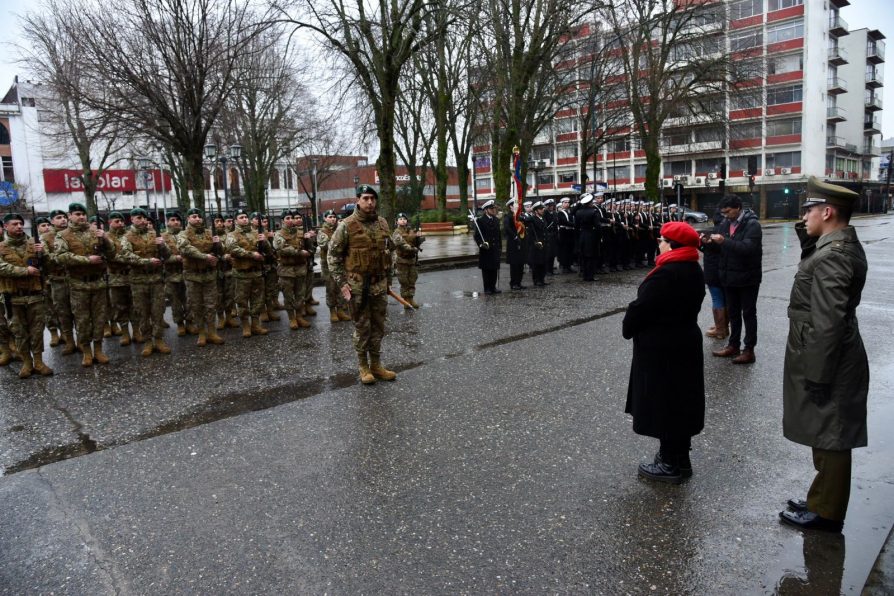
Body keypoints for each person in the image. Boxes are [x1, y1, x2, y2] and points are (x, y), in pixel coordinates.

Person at [779, 177, 869, 533]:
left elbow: (828, 321)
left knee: (831, 431)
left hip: (828, 354)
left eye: (809, 209)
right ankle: (821, 498)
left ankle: (826, 512)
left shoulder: (834, 255)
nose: (804, 217)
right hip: (826, 350)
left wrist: (817, 373)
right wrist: (809, 241)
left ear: (827, 211)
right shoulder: (831, 247)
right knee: (824, 428)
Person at [622, 221, 706, 483]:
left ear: (672, 244)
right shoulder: (692, 268)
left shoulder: (666, 273)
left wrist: (629, 324)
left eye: (662, 239)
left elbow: (642, 308)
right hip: (684, 342)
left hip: (663, 347)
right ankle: (680, 458)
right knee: (680, 402)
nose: (658, 243)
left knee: (665, 403)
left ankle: (670, 463)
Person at [327, 184, 397, 385]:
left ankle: (376, 364)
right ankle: (363, 366)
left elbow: (389, 251)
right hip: (357, 287)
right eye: (365, 198)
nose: (369, 202)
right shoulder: (346, 225)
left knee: (379, 326)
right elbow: (333, 257)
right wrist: (342, 283)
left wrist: (388, 280)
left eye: (372, 198)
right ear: (358, 200)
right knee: (362, 327)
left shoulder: (382, 223)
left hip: (379, 285)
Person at [53, 202, 114, 366]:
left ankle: (99, 350)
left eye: (83, 214)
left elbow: (112, 254)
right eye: (77, 214)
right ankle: (87, 351)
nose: (81, 217)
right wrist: (87, 260)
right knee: (82, 320)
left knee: (100, 319)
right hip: (78, 285)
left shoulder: (96, 232)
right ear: (70, 216)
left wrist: (106, 240)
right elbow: (60, 257)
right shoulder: (63, 235)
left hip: (98, 283)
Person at [710, 195, 762, 364]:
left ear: (738, 207)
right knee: (733, 314)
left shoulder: (752, 224)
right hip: (729, 277)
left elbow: (747, 248)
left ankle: (749, 350)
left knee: (748, 313)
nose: (725, 216)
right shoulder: (726, 223)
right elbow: (722, 250)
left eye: (728, 212)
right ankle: (733, 345)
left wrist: (724, 241)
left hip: (748, 278)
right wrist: (705, 243)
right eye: (723, 213)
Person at [0, 213, 53, 378]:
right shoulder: (1, 247)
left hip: (35, 294)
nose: (19, 226)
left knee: (37, 330)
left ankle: (38, 361)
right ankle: (27, 362)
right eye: (14, 224)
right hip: (12, 297)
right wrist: (25, 271)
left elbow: (50, 267)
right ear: (6, 227)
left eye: (21, 223)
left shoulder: (35, 244)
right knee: (19, 332)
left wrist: (43, 254)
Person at [119, 208, 172, 357]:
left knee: (158, 311)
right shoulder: (127, 237)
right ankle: (148, 341)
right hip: (139, 281)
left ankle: (159, 339)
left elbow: (167, 256)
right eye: (138, 218)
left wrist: (162, 245)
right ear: (132, 220)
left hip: (156, 280)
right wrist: (146, 261)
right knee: (142, 312)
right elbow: (126, 256)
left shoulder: (154, 234)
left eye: (143, 218)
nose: (142, 220)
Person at [177, 209, 224, 346]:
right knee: (196, 305)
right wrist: (205, 257)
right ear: (188, 219)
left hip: (209, 275)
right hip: (193, 275)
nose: (197, 219)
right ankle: (201, 333)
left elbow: (220, 252)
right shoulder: (183, 234)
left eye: (199, 216)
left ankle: (212, 331)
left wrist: (218, 244)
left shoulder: (210, 233)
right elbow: (185, 248)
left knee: (211, 304)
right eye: (194, 216)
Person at [225, 209, 269, 338]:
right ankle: (245, 325)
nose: (244, 219)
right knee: (242, 301)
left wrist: (265, 241)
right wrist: (251, 255)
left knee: (258, 301)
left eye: (245, 217)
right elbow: (233, 249)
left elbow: (268, 252)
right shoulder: (232, 235)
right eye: (241, 217)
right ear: (235, 220)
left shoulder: (257, 233)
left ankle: (255, 325)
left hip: (256, 273)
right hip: (241, 274)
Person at [41, 210, 76, 354]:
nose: (63, 220)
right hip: (58, 280)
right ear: (52, 221)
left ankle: (81, 341)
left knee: (78, 311)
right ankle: (69, 341)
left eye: (64, 217)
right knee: (62, 311)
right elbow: (47, 259)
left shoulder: (72, 233)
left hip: (74, 277)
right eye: (58, 218)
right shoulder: (45, 237)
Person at [272, 209, 312, 330]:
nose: (290, 220)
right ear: (283, 221)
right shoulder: (279, 234)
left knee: (300, 294)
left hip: (300, 268)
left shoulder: (300, 233)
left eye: (291, 218)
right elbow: (281, 248)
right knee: (288, 295)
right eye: (287, 218)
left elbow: (309, 248)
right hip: (286, 269)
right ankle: (292, 318)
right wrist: (299, 252)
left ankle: (299, 316)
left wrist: (309, 239)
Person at [106, 212, 135, 345]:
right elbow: (108, 256)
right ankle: (124, 333)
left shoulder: (129, 235)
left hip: (132, 275)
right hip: (116, 277)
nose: (120, 224)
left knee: (134, 305)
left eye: (122, 221)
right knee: (119, 306)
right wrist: (128, 258)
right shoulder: (105, 237)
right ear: (110, 223)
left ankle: (137, 331)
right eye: (117, 221)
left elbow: (136, 252)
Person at [317, 210, 351, 323]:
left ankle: (341, 310)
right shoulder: (322, 232)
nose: (333, 219)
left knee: (341, 286)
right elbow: (326, 244)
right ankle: (332, 311)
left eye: (334, 217)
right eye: (330, 217)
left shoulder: (340, 229)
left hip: (340, 263)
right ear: (325, 219)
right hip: (328, 265)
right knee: (331, 288)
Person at [699, 208, 728, 340]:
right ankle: (724, 327)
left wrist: (703, 243)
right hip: (725, 270)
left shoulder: (713, 233)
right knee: (724, 299)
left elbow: (711, 250)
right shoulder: (728, 231)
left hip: (713, 270)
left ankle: (720, 330)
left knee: (717, 299)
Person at [391, 212, 425, 308]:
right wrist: (412, 248)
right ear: (397, 221)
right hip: (402, 260)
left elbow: (417, 241)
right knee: (404, 281)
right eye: (400, 219)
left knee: (412, 279)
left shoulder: (410, 230)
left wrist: (418, 237)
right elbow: (401, 244)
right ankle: (406, 300)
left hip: (411, 260)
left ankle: (411, 298)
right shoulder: (396, 232)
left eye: (404, 219)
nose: (403, 220)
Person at [474, 200, 502, 294]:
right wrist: (481, 244)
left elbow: (498, 235)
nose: (494, 210)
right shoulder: (480, 221)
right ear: (486, 210)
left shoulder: (496, 220)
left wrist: (500, 247)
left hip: (495, 249)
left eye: (494, 208)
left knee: (494, 269)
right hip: (486, 249)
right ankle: (487, 288)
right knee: (486, 270)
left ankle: (493, 287)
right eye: (491, 208)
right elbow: (477, 235)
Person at [573, 193, 599, 281]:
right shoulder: (594, 212)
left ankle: (585, 275)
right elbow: (598, 226)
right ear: (590, 203)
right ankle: (590, 276)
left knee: (584, 256)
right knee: (591, 257)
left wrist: (578, 237)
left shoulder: (578, 212)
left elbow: (576, 227)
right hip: (591, 236)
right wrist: (599, 237)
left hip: (582, 235)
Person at [501, 199, 525, 290]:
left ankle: (519, 282)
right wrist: (515, 237)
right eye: (515, 205)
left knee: (521, 264)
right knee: (514, 264)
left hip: (521, 242)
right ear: (510, 206)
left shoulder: (519, 216)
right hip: (513, 243)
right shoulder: (508, 216)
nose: (517, 206)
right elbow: (507, 228)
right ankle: (513, 283)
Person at [526, 201, 549, 286]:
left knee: (543, 262)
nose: (542, 210)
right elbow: (530, 235)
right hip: (536, 245)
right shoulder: (532, 220)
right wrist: (535, 242)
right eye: (540, 209)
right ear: (536, 211)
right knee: (537, 263)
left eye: (543, 208)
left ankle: (542, 279)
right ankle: (536, 280)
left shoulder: (543, 219)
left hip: (544, 244)